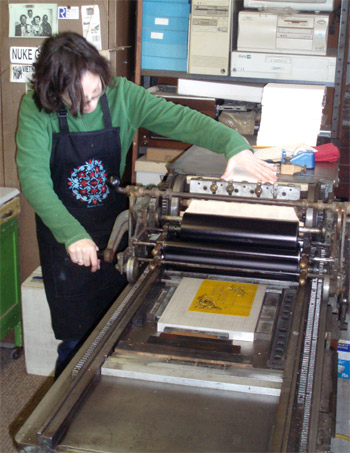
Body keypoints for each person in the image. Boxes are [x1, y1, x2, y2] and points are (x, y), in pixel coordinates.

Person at [16, 32, 276, 378]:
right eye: (79, 100)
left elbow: (182, 120)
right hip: (65, 236)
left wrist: (233, 144)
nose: (91, 106)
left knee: (119, 326)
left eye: (96, 94)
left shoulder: (124, 95)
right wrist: (71, 234)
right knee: (76, 338)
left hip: (115, 229)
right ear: (54, 91)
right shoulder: (36, 109)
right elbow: (34, 180)